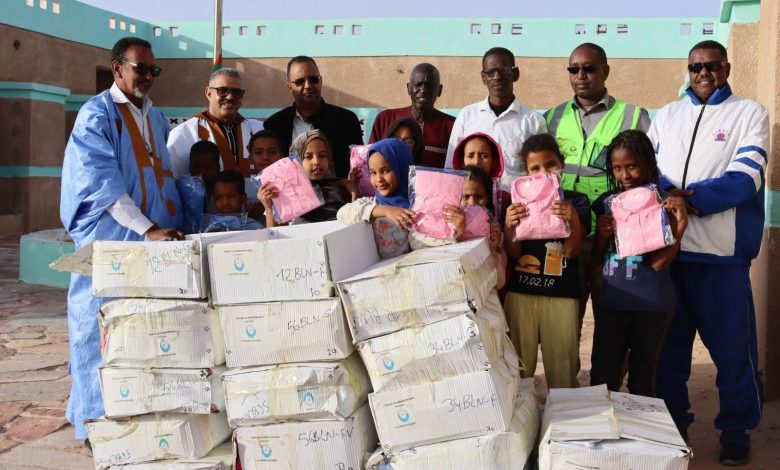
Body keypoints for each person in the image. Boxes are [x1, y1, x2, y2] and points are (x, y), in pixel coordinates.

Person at [650, 40, 768, 466]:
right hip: (670, 255)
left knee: (734, 353)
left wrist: (688, 200)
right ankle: (674, 425)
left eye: (712, 65)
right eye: (695, 66)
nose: (703, 73)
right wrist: (667, 195)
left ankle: (736, 431)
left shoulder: (749, 113)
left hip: (721, 258)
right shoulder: (667, 115)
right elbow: (647, 170)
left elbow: (746, 178)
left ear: (726, 68)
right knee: (668, 352)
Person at [60, 37, 183, 444]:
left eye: (153, 70)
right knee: (97, 331)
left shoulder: (157, 117)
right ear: (117, 69)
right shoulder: (97, 115)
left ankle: (136, 421)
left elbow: (164, 177)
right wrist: (146, 229)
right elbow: (101, 183)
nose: (148, 76)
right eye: (140, 68)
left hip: (149, 242)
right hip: (111, 240)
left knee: (141, 334)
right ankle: (95, 424)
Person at [545, 42, 652, 326]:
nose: (581, 75)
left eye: (589, 68)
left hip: (612, 237)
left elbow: (650, 176)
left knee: (613, 322)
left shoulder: (632, 116)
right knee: (566, 321)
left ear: (605, 71)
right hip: (567, 235)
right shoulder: (552, 117)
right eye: (574, 69)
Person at [589, 130, 688, 398]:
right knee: (602, 379)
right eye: (617, 168)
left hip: (651, 308)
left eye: (632, 166)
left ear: (648, 163)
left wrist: (680, 226)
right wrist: (602, 236)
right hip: (612, 306)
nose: (625, 175)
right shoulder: (607, 204)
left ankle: (641, 426)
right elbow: (597, 258)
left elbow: (658, 264)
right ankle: (607, 425)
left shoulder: (663, 205)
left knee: (642, 383)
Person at [503, 134, 589, 389]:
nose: (544, 173)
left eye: (550, 165)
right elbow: (514, 254)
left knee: (562, 367)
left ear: (562, 164)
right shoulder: (518, 202)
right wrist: (509, 225)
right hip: (521, 293)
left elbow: (572, 252)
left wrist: (573, 220)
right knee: (519, 370)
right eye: (535, 168)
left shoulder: (577, 201)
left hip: (561, 295)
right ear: (526, 172)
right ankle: (523, 414)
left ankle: (563, 415)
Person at [445, 47, 547, 190]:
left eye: (504, 70)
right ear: (483, 78)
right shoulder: (467, 116)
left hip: (517, 202)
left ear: (515, 74)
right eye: (490, 72)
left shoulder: (533, 121)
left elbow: (542, 174)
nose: (497, 77)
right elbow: (451, 170)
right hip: (474, 200)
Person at [263, 56, 363, 178]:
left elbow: (358, 167)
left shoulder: (346, 120)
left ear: (321, 82)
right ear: (290, 87)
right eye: (300, 82)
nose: (308, 86)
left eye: (313, 80)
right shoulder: (274, 125)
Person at [167, 68, 264, 178]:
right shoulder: (185, 133)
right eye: (222, 90)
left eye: (236, 92)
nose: (230, 97)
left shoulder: (257, 129)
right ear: (208, 93)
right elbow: (171, 177)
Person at [259, 130, 357, 227]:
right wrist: (269, 208)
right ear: (296, 161)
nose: (316, 162)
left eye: (322, 156)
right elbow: (274, 233)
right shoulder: (286, 193)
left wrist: (354, 192)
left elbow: (356, 222)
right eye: (308, 157)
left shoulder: (341, 186)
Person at [369, 63, 455, 168]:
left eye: (430, 86)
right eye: (418, 84)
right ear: (409, 88)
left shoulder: (452, 126)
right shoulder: (385, 119)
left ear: (439, 90)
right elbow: (370, 160)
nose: (423, 90)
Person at [461, 164, 507, 291]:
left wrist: (494, 249)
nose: (472, 203)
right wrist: (457, 234)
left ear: (488, 199)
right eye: (465, 196)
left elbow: (499, 283)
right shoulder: (446, 229)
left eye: (479, 197)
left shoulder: (494, 232)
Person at [450, 132, 511, 224]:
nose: (476, 162)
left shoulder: (504, 199)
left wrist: (505, 230)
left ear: (494, 162)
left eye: (484, 156)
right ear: (462, 161)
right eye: (470, 156)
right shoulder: (451, 195)